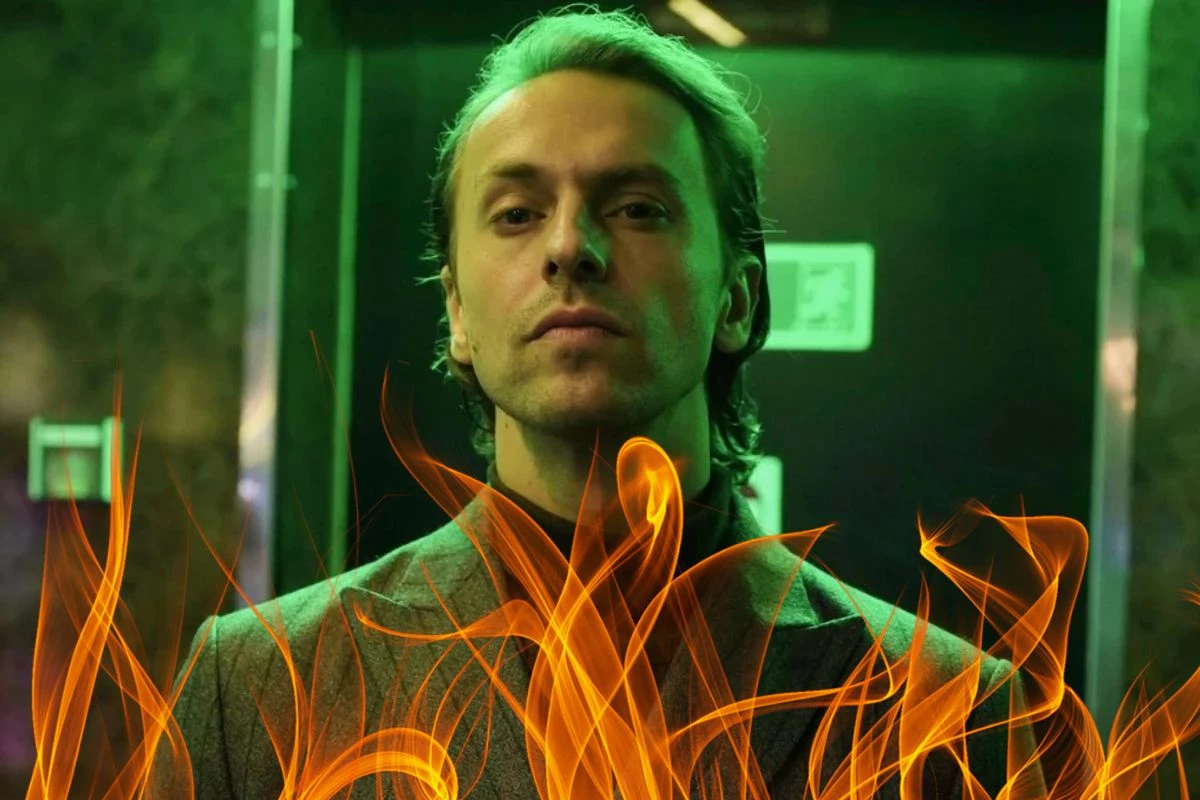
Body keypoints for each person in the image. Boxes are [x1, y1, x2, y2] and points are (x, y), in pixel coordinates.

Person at [156, 7, 1045, 798]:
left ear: (736, 299)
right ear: (456, 312)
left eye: (637, 208)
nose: (570, 246)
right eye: (516, 213)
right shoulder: (260, 686)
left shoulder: (951, 710)